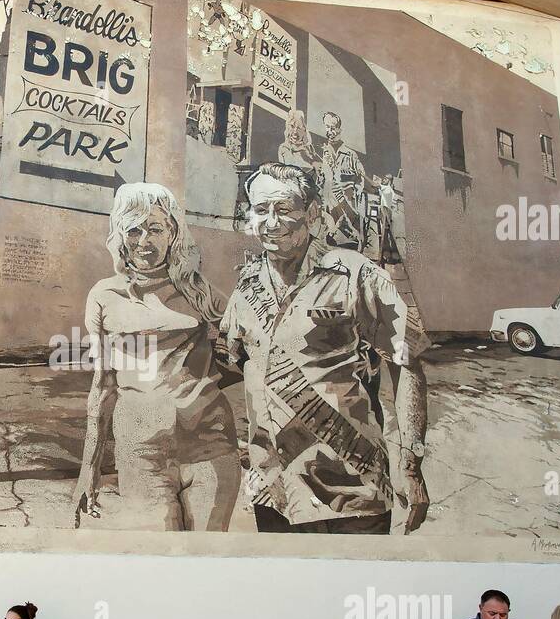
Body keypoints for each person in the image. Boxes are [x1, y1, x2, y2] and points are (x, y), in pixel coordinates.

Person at [219, 162, 430, 535]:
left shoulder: (355, 273)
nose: (270, 222)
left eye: (283, 209)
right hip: (274, 491)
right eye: (260, 210)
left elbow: (408, 362)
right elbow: (235, 363)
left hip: (351, 491)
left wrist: (410, 464)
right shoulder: (246, 287)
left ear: (312, 213)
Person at [72, 182, 241, 532]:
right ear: (120, 234)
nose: (144, 241)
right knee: (158, 561)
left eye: (155, 229)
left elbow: (248, 346)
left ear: (172, 233)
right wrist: (89, 471)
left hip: (211, 447)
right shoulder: (105, 296)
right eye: (133, 230)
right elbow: (103, 388)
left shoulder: (198, 290)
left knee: (208, 563)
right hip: (140, 453)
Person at [314, 112, 372, 255]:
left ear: (339, 129)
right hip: (328, 206)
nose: (330, 132)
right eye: (327, 127)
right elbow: (322, 181)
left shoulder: (350, 154)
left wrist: (354, 193)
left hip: (347, 205)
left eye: (333, 128)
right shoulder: (323, 153)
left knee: (354, 243)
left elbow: (361, 178)